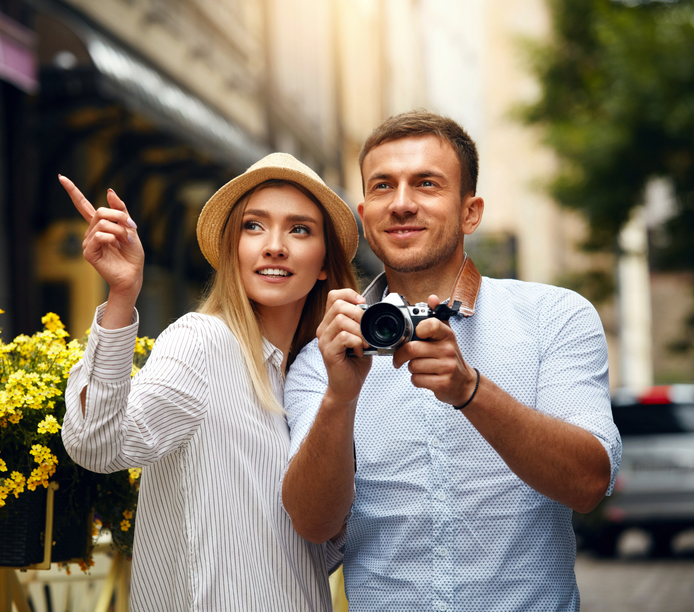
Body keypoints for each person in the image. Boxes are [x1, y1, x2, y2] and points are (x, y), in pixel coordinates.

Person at [281, 110, 622, 611]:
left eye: (426, 184)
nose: (401, 203)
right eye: (382, 186)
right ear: (363, 212)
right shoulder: (322, 356)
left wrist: (471, 391)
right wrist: (340, 396)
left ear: (471, 212)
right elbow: (313, 523)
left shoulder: (555, 317)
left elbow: (590, 484)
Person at [59, 153, 360, 611]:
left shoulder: (314, 377)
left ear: (323, 263)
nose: (274, 246)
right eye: (253, 226)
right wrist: (122, 295)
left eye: (299, 229)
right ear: (231, 248)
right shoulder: (202, 343)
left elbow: (319, 548)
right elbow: (95, 444)